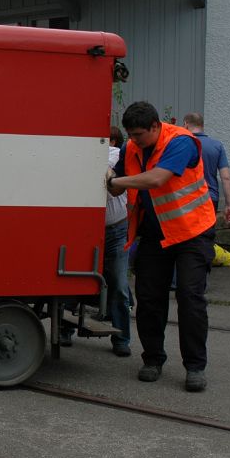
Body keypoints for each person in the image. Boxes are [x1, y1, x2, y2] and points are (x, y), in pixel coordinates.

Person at [107, 102, 216, 392]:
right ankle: (153, 359)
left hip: (192, 232)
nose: (134, 140)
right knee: (149, 298)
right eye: (131, 135)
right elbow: (116, 181)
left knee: (190, 297)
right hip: (155, 235)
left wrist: (117, 180)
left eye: (139, 134)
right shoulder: (132, 148)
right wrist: (110, 176)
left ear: (155, 126)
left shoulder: (181, 141)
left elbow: (157, 179)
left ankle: (195, 367)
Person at [105, 126, 132, 356]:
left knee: (120, 286)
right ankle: (65, 330)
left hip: (116, 230)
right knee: (74, 281)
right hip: (91, 231)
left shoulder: (116, 154)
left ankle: (122, 338)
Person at [182, 113, 230, 224]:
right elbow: (226, 178)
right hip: (210, 198)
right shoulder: (217, 145)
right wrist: (229, 205)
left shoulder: (182, 144)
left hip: (187, 198)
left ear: (186, 124)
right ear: (202, 125)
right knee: (207, 231)